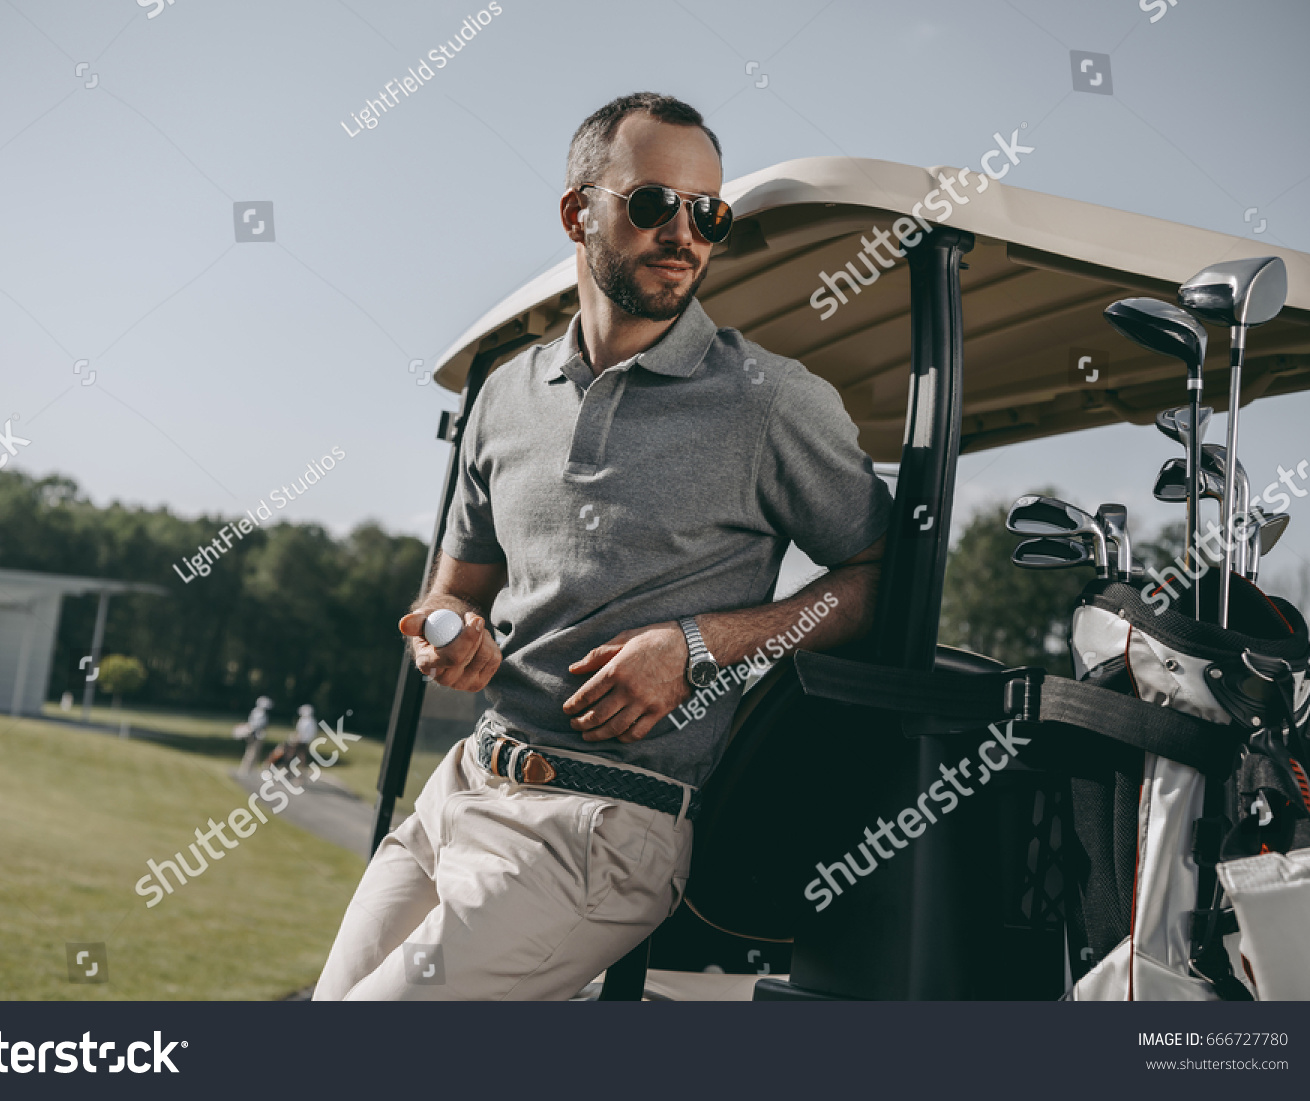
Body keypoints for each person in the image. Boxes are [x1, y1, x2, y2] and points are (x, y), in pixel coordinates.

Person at [313, 92, 891, 1001]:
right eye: (656, 204)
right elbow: (450, 589)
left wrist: (700, 643)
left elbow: (883, 577)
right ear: (579, 212)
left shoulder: (769, 401)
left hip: (608, 828)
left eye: (710, 215)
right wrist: (447, 632)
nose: (686, 233)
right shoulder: (505, 394)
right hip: (464, 784)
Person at [267, 703, 318, 770]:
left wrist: (295, 739)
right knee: (301, 757)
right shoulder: (311, 721)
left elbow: (301, 733)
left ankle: (287, 769)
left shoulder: (306, 721)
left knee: (291, 755)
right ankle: (296, 771)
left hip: (300, 741)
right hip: (303, 741)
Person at [238, 696, 273, 775]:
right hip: (256, 735)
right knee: (252, 753)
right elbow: (257, 725)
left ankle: (249, 769)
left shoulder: (257, 712)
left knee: (252, 752)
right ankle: (246, 770)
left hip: (255, 734)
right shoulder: (260, 713)